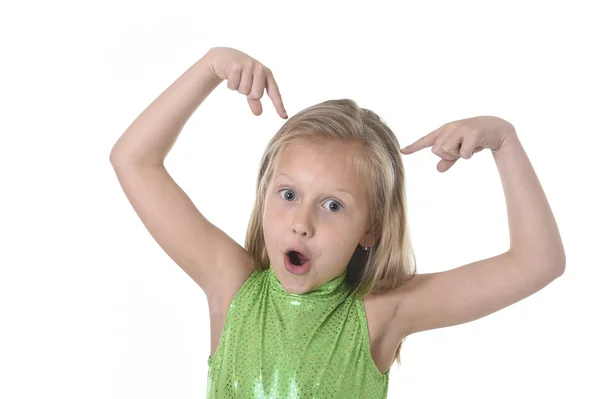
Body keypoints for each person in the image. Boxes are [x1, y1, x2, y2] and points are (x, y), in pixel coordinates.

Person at [109, 47, 566, 398]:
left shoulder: (379, 315)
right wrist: (209, 67)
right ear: (264, 195)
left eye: (332, 206)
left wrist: (505, 142)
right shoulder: (233, 288)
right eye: (288, 195)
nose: (301, 223)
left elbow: (537, 262)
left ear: (372, 229)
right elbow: (133, 161)